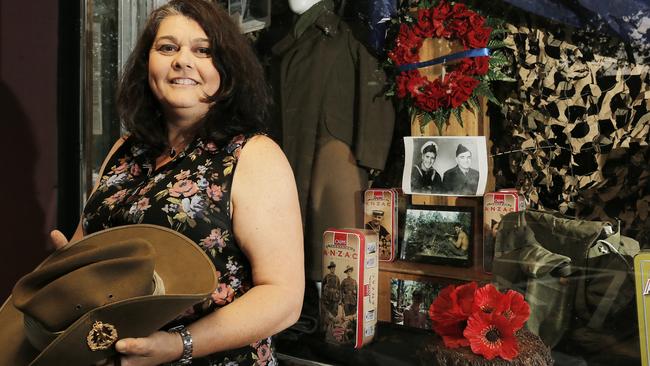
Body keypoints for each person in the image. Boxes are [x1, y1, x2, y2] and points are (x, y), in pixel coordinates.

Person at [48, 1, 304, 365]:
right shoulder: (125, 149)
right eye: (167, 47)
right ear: (146, 64)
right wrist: (67, 268)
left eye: (203, 50)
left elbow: (283, 299)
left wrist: (177, 345)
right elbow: (86, 252)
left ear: (227, 70)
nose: (183, 60)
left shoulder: (253, 155)